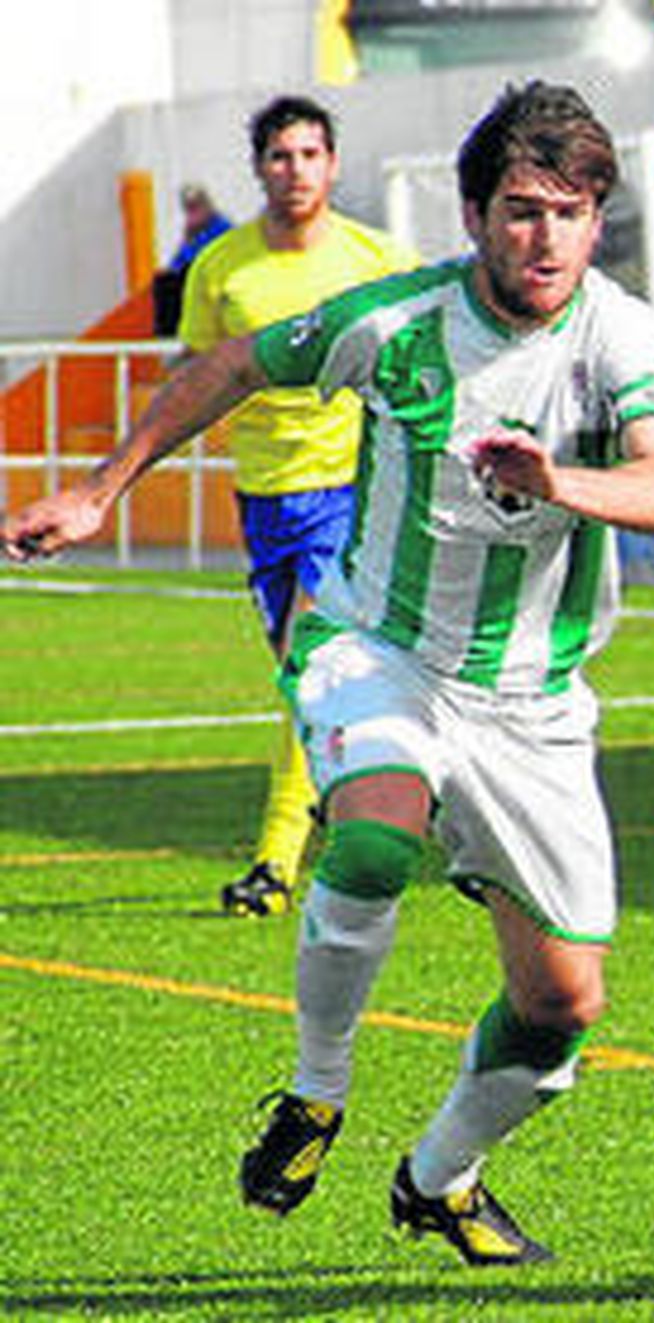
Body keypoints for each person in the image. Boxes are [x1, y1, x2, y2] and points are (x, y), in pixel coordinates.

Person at [2, 80, 654, 1265]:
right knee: (376, 837)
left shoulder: (621, 334)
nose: (547, 240)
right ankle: (315, 1090)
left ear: (599, 221)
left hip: (532, 704)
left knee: (561, 1013)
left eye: (572, 213)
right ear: (477, 214)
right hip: (379, 647)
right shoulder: (398, 322)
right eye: (523, 211)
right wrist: (97, 489)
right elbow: (230, 365)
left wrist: (556, 483)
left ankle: (440, 1177)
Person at [179, 95, 418, 917]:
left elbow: (423, 354)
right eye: (281, 156)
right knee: (303, 678)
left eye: (311, 154)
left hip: (349, 488)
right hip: (265, 497)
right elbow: (197, 373)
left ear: (334, 163)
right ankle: (407, 796)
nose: (296, 171)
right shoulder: (221, 267)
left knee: (309, 662)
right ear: (259, 167)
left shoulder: (377, 256)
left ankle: (277, 861)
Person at [153, 184, 232, 336]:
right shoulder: (193, 234)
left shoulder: (220, 228)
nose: (191, 214)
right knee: (165, 282)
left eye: (195, 207)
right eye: (189, 209)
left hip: (215, 278)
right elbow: (178, 262)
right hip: (194, 280)